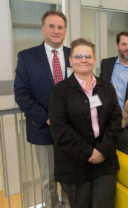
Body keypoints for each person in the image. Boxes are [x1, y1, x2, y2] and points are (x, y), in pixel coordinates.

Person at [49, 38, 122, 208]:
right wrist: (89, 152)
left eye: (88, 56)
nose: (83, 60)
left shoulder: (107, 87)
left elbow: (116, 120)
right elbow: (60, 129)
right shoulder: (60, 91)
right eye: (78, 56)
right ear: (70, 60)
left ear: (94, 60)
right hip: (74, 163)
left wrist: (101, 150)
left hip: (105, 161)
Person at [14, 10, 70, 208]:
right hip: (43, 129)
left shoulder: (74, 56)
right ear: (43, 29)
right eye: (51, 26)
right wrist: (47, 118)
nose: (56, 30)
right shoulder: (27, 57)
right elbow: (21, 94)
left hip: (73, 130)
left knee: (71, 176)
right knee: (49, 180)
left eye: (60, 27)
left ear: (65, 30)